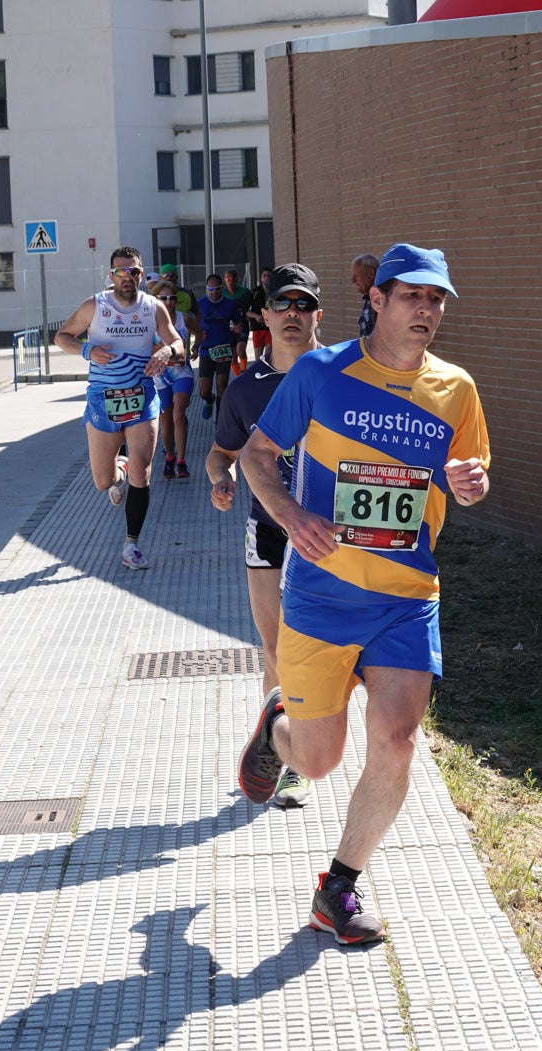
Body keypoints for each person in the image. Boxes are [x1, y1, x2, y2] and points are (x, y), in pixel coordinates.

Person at [237, 242, 490, 944]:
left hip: (407, 598)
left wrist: (470, 485)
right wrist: (291, 516)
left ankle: (338, 887)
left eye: (436, 299)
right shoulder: (322, 372)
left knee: (399, 740)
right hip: (321, 596)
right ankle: (275, 731)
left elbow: (466, 477)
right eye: (413, 296)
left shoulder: (455, 390)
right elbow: (257, 457)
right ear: (376, 299)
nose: (427, 310)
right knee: (316, 759)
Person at [206, 263, 323, 808]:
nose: (292, 314)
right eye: (282, 305)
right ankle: (287, 756)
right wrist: (220, 478)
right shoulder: (246, 388)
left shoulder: (343, 374)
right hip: (269, 530)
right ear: (265, 315)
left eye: (303, 304)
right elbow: (220, 451)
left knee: (319, 649)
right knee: (274, 646)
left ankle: (312, 739)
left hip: (331, 533)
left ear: (318, 314)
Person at [55, 245, 185, 569]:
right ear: (111, 275)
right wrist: (87, 350)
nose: (128, 277)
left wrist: (167, 353)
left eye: (134, 272)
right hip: (103, 398)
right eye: (121, 272)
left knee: (143, 470)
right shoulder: (95, 305)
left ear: (142, 274)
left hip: (142, 395)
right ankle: (118, 472)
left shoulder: (153, 307)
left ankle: (131, 545)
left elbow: (178, 342)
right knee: (102, 481)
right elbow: (61, 336)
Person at [151, 279, 203, 479]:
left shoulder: (183, 318)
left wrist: (196, 347)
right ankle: (170, 457)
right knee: (166, 419)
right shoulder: (149, 322)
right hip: (160, 376)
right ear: (156, 300)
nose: (168, 302)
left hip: (182, 373)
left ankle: (181, 461)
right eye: (163, 298)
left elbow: (200, 332)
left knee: (179, 412)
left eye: (172, 298)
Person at [192, 274, 244, 420]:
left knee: (222, 385)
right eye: (211, 289)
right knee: (204, 390)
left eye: (217, 289)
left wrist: (238, 329)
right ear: (207, 289)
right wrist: (197, 335)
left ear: (222, 288)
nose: (215, 292)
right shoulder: (199, 304)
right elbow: (190, 324)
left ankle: (220, 420)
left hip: (223, 348)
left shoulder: (230, 304)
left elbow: (239, 324)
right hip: (206, 350)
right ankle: (209, 400)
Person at [222, 268, 253, 375]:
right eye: (228, 278)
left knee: (240, 351)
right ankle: (238, 378)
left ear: (237, 279)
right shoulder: (221, 293)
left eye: (233, 278)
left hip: (242, 325)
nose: (230, 280)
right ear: (225, 280)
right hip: (227, 328)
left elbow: (246, 308)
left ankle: (244, 371)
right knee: (232, 356)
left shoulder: (244, 292)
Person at [245, 267, 272, 360]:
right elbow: (246, 311)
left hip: (271, 328)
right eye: (264, 276)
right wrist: (256, 316)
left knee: (269, 353)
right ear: (261, 278)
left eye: (269, 276)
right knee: (258, 358)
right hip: (257, 327)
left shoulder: (275, 292)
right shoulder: (254, 292)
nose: (266, 278)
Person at [351, 253, 379, 338]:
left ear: (371, 273)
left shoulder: (382, 301)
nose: (353, 281)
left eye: (356, 275)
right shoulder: (369, 299)